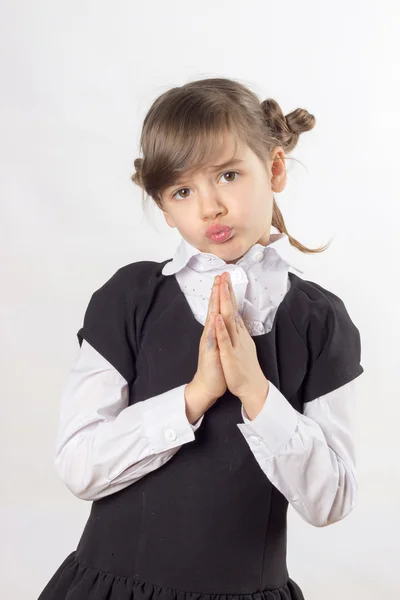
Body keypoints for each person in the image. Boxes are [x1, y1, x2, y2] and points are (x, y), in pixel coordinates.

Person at [37, 77, 364, 600]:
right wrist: (195, 396)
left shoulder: (320, 320)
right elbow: (80, 466)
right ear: (164, 206)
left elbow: (332, 500)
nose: (209, 206)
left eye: (228, 175)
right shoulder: (131, 298)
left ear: (274, 168)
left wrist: (256, 392)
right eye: (182, 191)